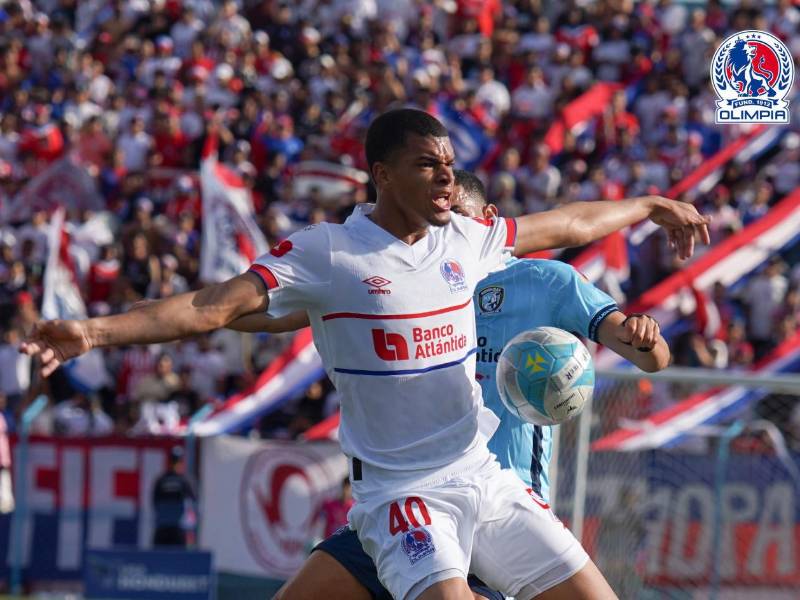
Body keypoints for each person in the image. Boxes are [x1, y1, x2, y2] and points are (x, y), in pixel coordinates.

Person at [22, 109, 708, 600]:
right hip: (403, 497)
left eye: (448, 166)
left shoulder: (465, 240)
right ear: (381, 174)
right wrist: (94, 331)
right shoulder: (328, 255)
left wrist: (648, 204)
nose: (445, 179)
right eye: (427, 166)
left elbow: (567, 224)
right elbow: (210, 308)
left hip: (488, 480)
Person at [226, 169, 670, 600]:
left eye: (458, 214)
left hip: (497, 505)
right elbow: (268, 312)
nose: (445, 228)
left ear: (490, 220)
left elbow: (648, 354)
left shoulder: (546, 281)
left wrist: (642, 338)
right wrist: (212, 308)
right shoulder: (407, 284)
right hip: (411, 496)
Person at [152, 445, 197, 547]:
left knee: (159, 558)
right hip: (176, 529)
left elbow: (154, 502)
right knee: (178, 559)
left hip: (163, 528)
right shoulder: (184, 480)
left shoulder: (161, 480)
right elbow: (194, 501)